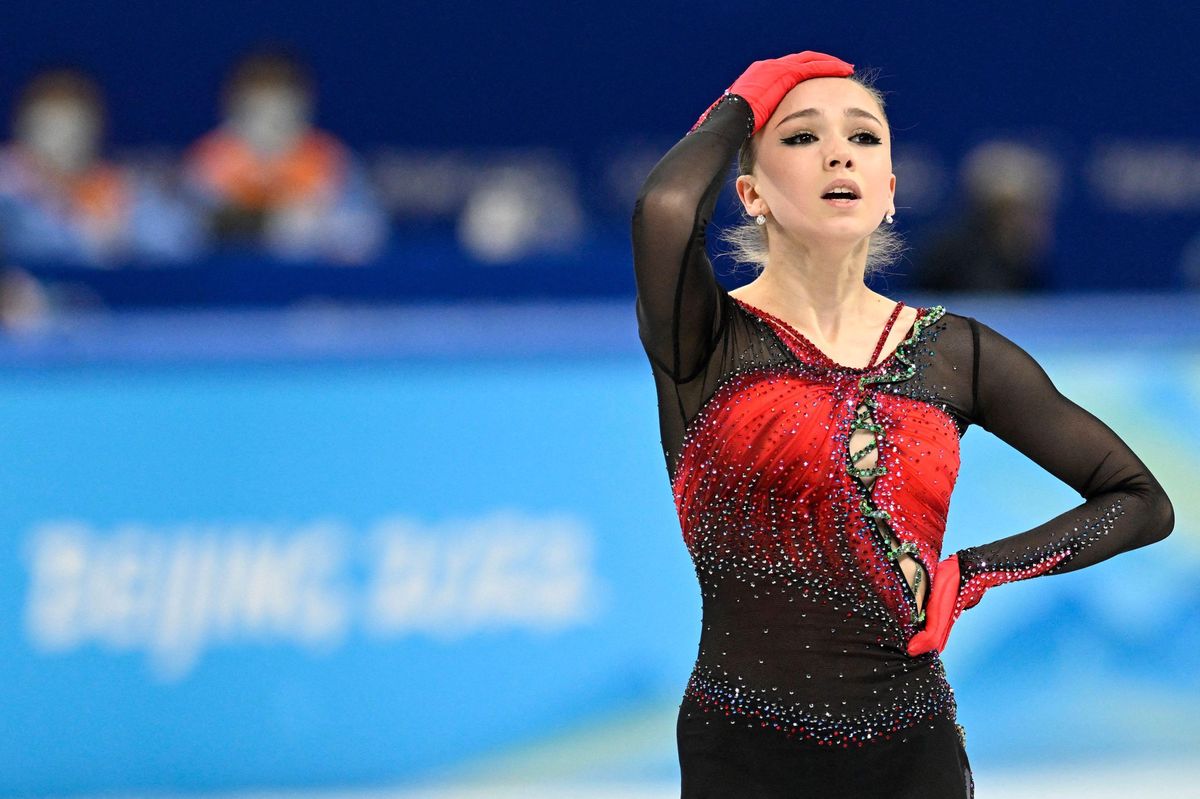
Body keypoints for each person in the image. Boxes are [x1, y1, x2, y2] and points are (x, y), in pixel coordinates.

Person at [630, 51, 1174, 798]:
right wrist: (750, 95)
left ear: (888, 190)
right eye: (801, 137)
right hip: (741, 752)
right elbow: (665, 206)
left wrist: (977, 570)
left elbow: (1141, 500)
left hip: (912, 753)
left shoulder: (958, 354)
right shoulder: (706, 339)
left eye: (863, 137)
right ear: (750, 193)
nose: (838, 154)